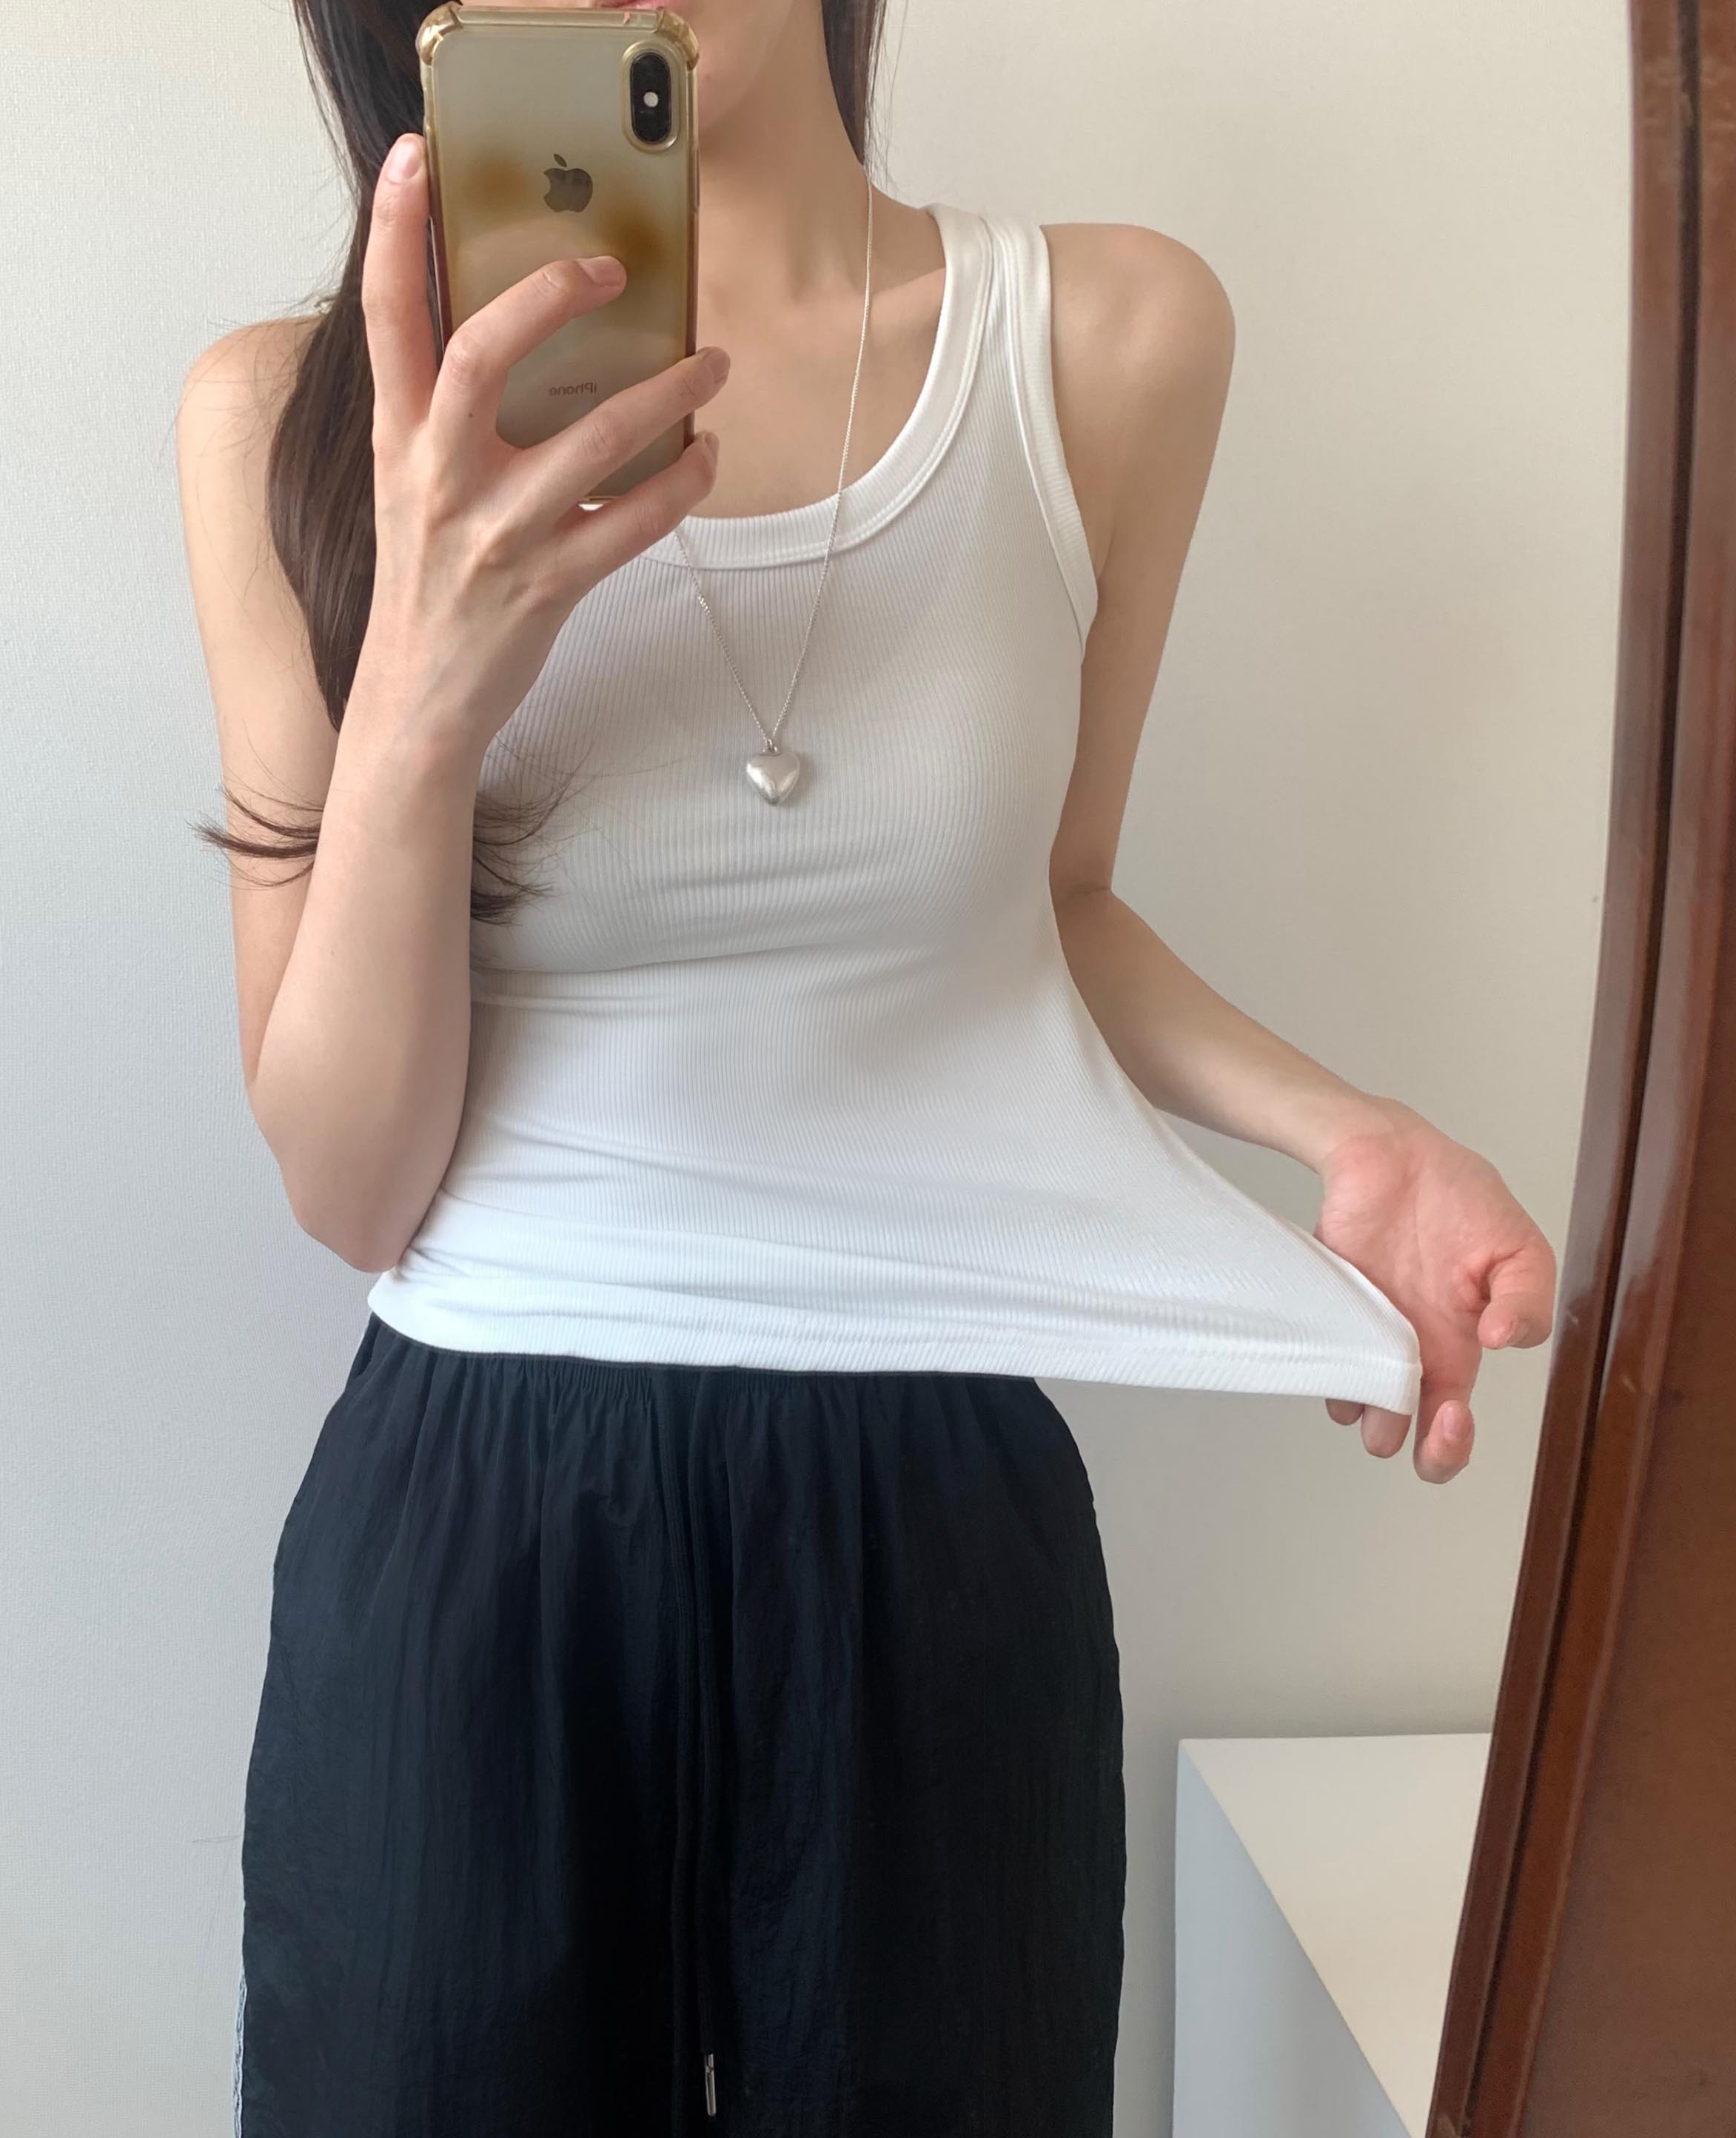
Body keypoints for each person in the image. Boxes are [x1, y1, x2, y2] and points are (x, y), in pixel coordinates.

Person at [175, 1, 1558, 2131]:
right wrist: (432, 680)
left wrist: (1344, 1133)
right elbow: (350, 1187)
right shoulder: (290, 419)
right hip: (476, 1521)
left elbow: (1049, 907)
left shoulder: (1106, 339)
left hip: (933, 1496)